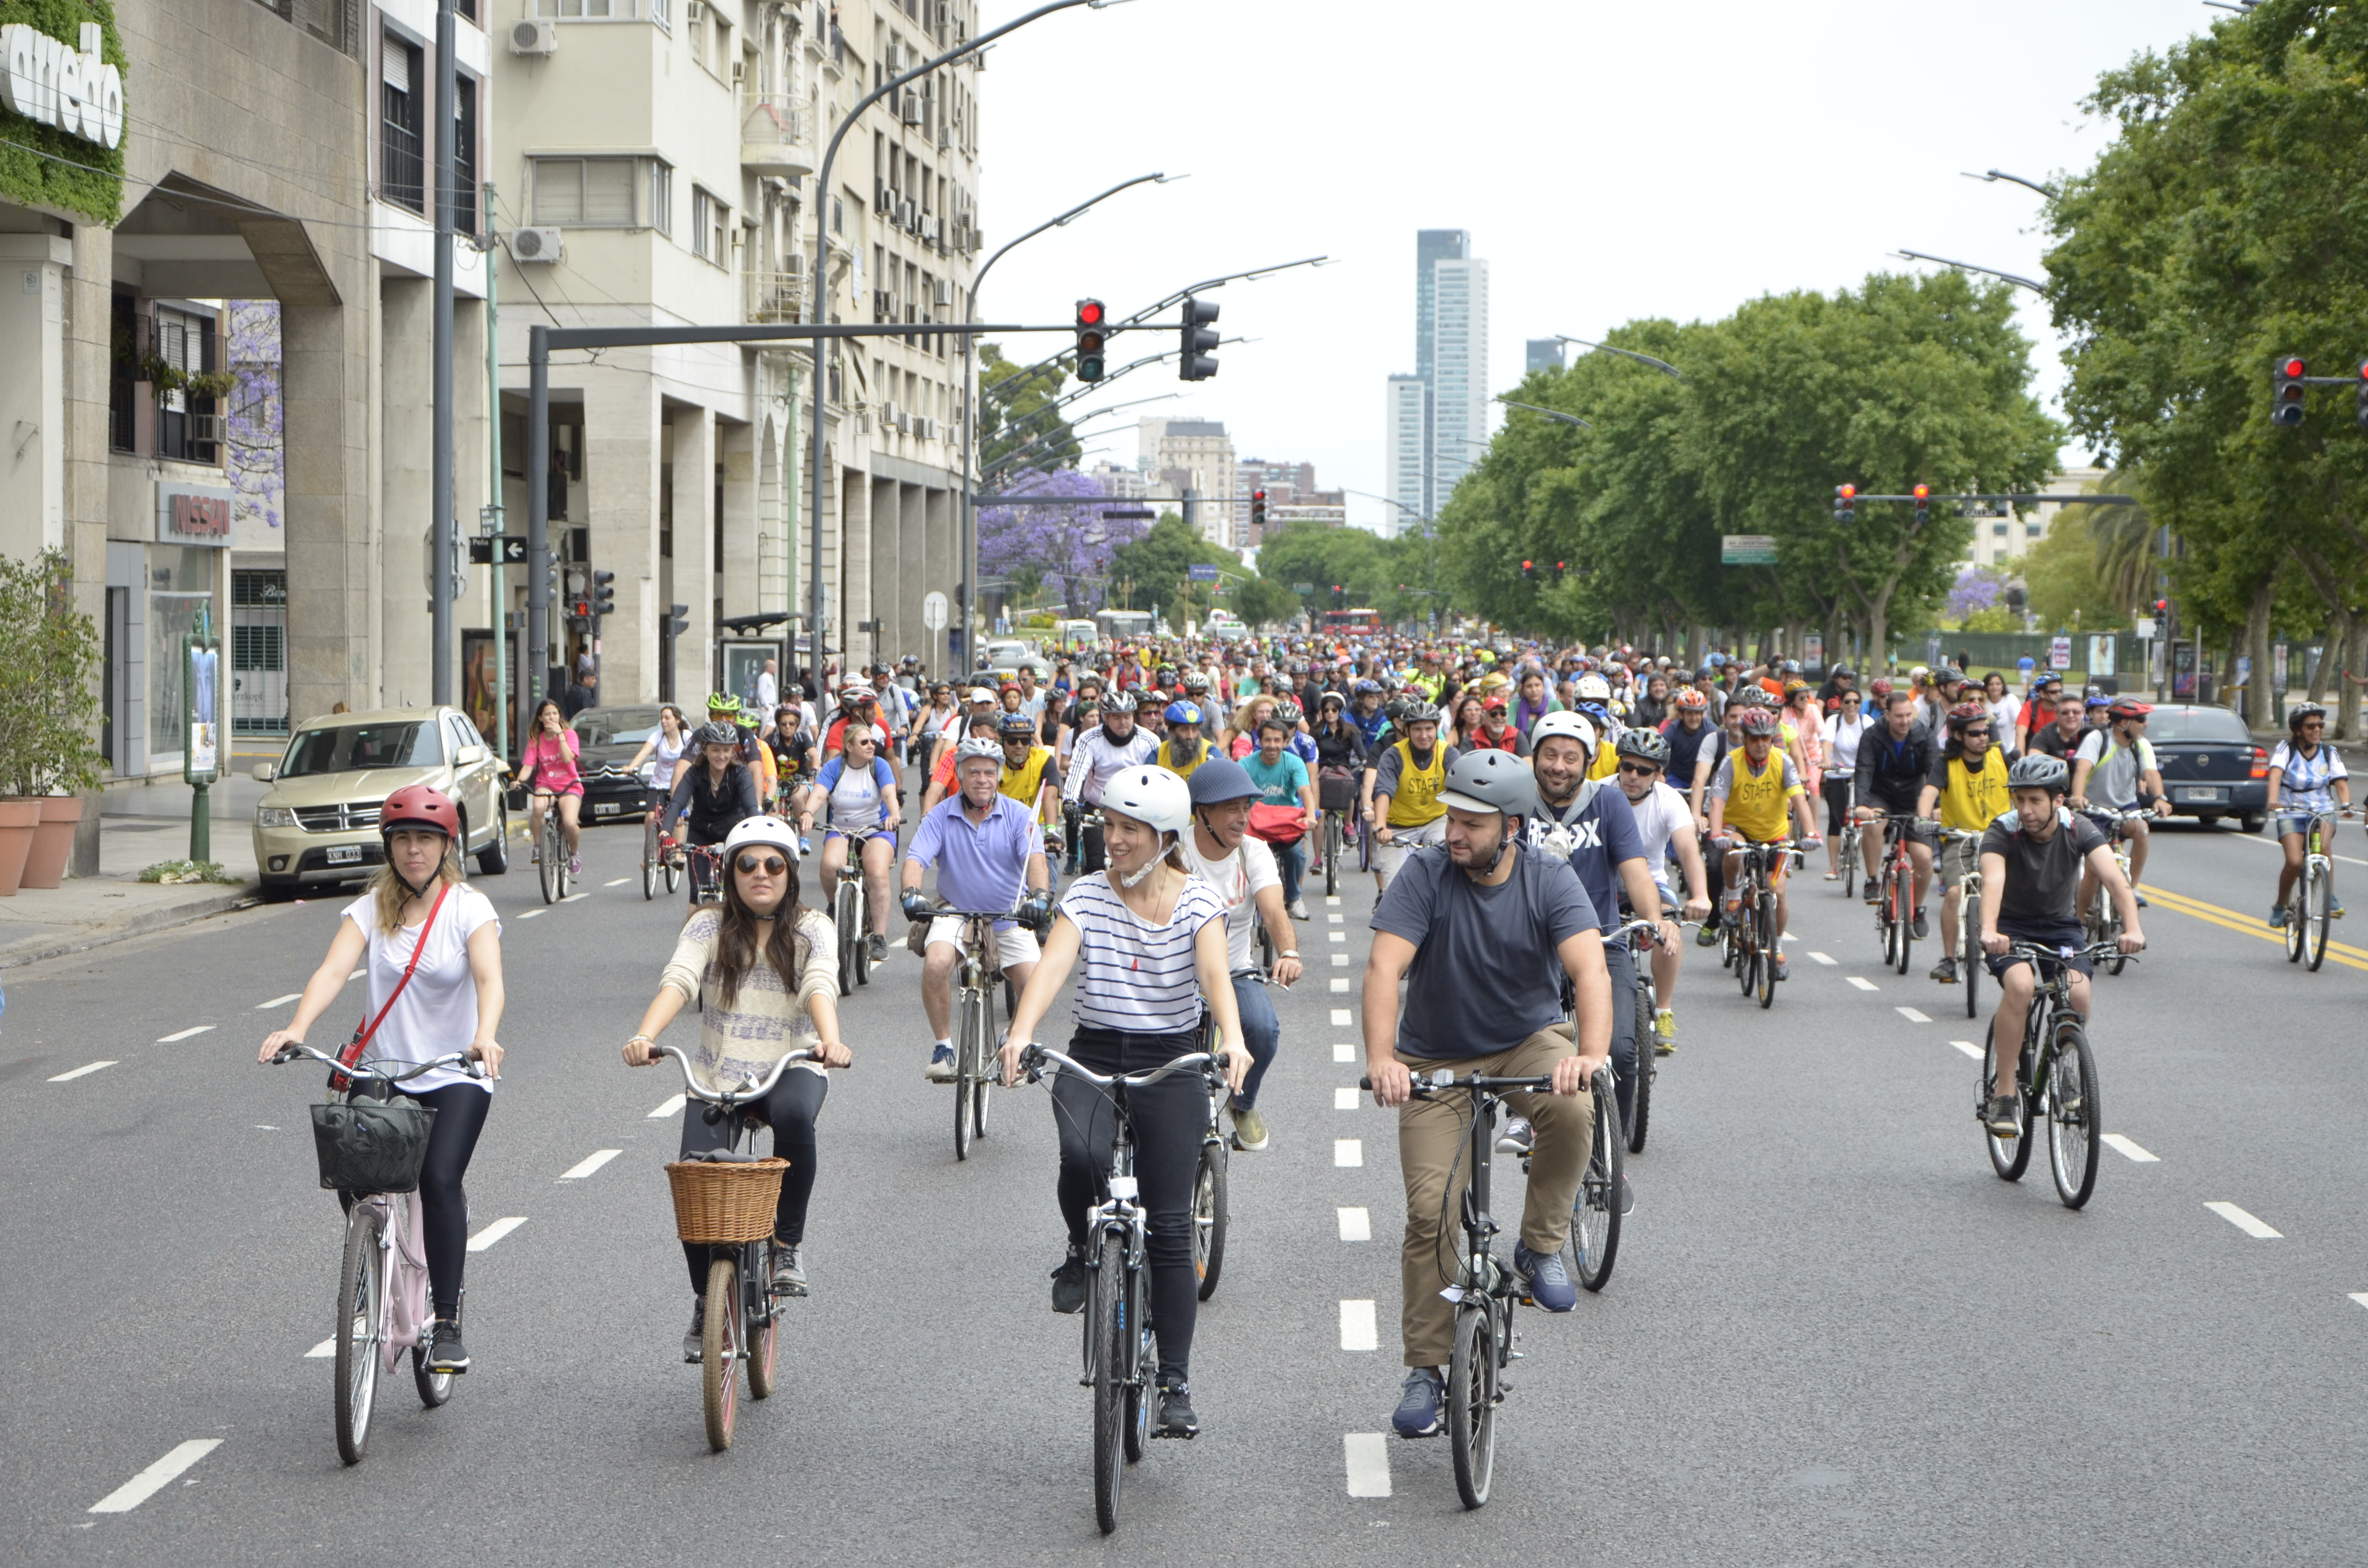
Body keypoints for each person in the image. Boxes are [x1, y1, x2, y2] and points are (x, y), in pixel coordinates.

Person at [1361, 749, 1613, 1439]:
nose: (1454, 833)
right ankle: (1426, 1367)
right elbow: (1386, 967)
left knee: (1572, 1107)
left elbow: (1590, 970)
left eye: (1471, 823)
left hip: (1525, 1039)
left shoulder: (1548, 877)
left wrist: (1588, 1055)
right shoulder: (1425, 873)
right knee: (1429, 1212)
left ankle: (1538, 1247)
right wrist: (1383, 1060)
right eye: (1452, 818)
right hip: (1433, 1055)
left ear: (1512, 826)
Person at [999, 766, 1247, 1440]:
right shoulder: (1086, 894)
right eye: (1108, 825)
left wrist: (1235, 1040)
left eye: (1127, 830)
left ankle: (1174, 1381)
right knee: (1081, 1156)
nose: (1112, 839)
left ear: (1164, 838)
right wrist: (1021, 1033)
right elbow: (1053, 966)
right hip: (1095, 1051)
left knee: (1169, 1228)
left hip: (1171, 1060)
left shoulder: (1199, 903)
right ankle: (1084, 1248)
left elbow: (1215, 977)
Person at [259, 784, 505, 1374]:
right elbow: (332, 970)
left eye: (425, 839)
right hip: (384, 1066)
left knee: (440, 1178)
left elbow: (490, 980)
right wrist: (297, 1025)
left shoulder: (469, 908)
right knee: (353, 1171)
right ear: (389, 848)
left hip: (454, 1071)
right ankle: (373, 1251)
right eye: (402, 840)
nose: (413, 851)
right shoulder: (371, 907)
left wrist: (486, 1033)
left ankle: (445, 1322)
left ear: (446, 846)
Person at [624, 815, 849, 1348]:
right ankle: (706, 1299)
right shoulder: (706, 925)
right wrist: (644, 1034)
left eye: (774, 864)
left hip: (789, 1065)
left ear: (791, 873)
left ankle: (786, 1245)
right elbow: (679, 978)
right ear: (730, 873)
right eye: (747, 864)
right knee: (693, 1180)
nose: (760, 874)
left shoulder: (813, 926)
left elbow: (821, 981)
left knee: (795, 1117)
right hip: (716, 1078)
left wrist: (829, 1039)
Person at [1524, 711, 1675, 1138]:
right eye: (1550, 755)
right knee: (1522, 1043)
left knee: (1620, 1051)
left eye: (1571, 757)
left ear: (1588, 762)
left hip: (1601, 940)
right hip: (1532, 943)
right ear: (1534, 758)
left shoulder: (1608, 803)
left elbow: (1635, 870)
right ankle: (1527, 1118)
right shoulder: (1516, 801)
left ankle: (1611, 1148)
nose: (1559, 765)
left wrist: (1654, 920)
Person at [1976, 755, 2145, 1136]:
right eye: (2019, 800)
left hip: (2060, 926)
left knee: (2078, 995)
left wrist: (2132, 928)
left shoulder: (2079, 829)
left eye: (2035, 800)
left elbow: (2116, 881)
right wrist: (1989, 929)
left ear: (2058, 799)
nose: (2025, 809)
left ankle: (2066, 1071)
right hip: (2009, 927)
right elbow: (1993, 880)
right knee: (2020, 987)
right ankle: (2004, 1094)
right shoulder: (2002, 830)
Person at [900, 739, 1050, 1082]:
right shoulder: (941, 815)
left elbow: (1036, 862)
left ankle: (1013, 1037)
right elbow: (916, 860)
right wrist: (911, 893)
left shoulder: (1019, 815)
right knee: (936, 964)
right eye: (973, 772)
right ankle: (943, 1047)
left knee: (1037, 984)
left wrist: (1040, 897)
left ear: (998, 776)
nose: (982, 779)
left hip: (1009, 914)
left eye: (989, 772)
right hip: (956, 912)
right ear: (959, 775)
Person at [1179, 759, 1304, 1152]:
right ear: (1203, 812)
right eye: (1231, 808)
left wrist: (1288, 951)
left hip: (1234, 974)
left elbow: (1273, 909)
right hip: (1177, 975)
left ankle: (1242, 1102)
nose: (1242, 817)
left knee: (1264, 1031)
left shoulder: (1254, 852)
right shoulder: (1174, 852)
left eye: (1246, 807)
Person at [1607, 726, 1711, 1049]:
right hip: (1603, 886)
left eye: (1644, 770)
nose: (1633, 776)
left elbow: (1687, 849)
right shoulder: (1597, 793)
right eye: (1627, 767)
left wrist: (1701, 895)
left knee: (1669, 931)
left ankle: (1663, 1010)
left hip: (1650, 884)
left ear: (1658, 774)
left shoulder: (1669, 801)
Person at [1705, 707, 1822, 981]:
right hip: (1739, 828)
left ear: (1773, 739)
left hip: (1775, 834)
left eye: (1766, 738)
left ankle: (1777, 950)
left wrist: (1811, 833)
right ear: (1744, 738)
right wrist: (1716, 834)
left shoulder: (1783, 762)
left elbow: (1799, 801)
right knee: (1733, 852)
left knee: (1777, 891)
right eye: (1754, 738)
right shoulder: (1730, 763)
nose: (1760, 744)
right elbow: (1717, 801)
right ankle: (1734, 901)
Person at [1918, 701, 2012, 984]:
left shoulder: (2000, 756)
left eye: (1985, 732)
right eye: (1974, 733)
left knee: (2012, 892)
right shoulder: (1946, 764)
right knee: (1955, 894)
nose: (1983, 737)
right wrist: (1923, 819)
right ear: (1958, 736)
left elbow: (2020, 791)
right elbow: (1928, 793)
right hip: (1959, 839)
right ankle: (1949, 960)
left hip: (1998, 838)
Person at [803, 723, 903, 964]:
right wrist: (808, 812)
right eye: (864, 742)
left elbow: (891, 794)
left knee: (877, 873)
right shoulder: (834, 767)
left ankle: (879, 936)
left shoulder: (879, 766)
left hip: (877, 829)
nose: (872, 746)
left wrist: (893, 814)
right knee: (829, 865)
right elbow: (818, 794)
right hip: (841, 828)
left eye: (872, 742)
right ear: (849, 747)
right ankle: (833, 906)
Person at [1852, 689, 1937, 935]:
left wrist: (1937, 806)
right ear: (1887, 715)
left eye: (1909, 715)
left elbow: (1934, 773)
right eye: (1899, 716)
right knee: (1874, 824)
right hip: (1882, 795)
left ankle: (1918, 909)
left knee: (1923, 858)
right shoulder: (1872, 736)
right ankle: (1872, 879)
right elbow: (1864, 769)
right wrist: (1862, 804)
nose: (1905, 721)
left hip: (1913, 799)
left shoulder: (1924, 735)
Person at [2069, 697, 2167, 907]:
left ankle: (2132, 887)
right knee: (2095, 869)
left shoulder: (2141, 745)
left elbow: (2151, 773)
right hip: (2093, 809)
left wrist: (2160, 798)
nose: (2146, 724)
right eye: (2140, 719)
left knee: (2142, 831)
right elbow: (2082, 769)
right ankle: (2080, 920)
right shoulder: (2097, 739)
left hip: (2125, 808)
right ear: (2123, 723)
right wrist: (2078, 796)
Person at [2266, 702, 2351, 925]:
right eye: (2310, 726)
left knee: (2324, 849)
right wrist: (2273, 800)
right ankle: (2280, 905)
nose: (2317, 730)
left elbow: (2340, 783)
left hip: (2322, 810)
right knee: (2294, 862)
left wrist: (2347, 804)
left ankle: (2330, 897)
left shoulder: (2328, 752)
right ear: (2298, 730)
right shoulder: (2287, 749)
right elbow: (2275, 776)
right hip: (2291, 811)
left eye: (2320, 725)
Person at [1060, 684, 1159, 874]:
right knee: (1096, 866)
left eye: (1128, 716)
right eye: (1117, 717)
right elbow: (1077, 771)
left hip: (1135, 811)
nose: (1124, 722)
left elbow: (1157, 778)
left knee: (1137, 867)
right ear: (1106, 718)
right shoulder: (1088, 739)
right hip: (1098, 810)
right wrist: (1070, 801)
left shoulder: (1150, 740)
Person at [663, 721, 763, 903]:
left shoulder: (740, 774)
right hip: (700, 831)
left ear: (732, 751)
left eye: (726, 750)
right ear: (705, 750)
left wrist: (756, 833)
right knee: (697, 891)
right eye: (716, 750)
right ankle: (692, 931)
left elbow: (751, 809)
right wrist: (665, 831)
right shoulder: (694, 773)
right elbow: (677, 803)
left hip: (732, 831)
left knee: (735, 891)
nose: (721, 756)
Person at [1369, 702, 1459, 895]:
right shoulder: (1394, 755)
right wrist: (1381, 826)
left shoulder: (1448, 754)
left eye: (1429, 729)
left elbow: (1461, 788)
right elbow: (1384, 790)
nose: (1424, 735)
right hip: (1397, 827)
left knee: (1451, 871)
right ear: (1406, 730)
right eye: (1417, 729)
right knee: (1394, 888)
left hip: (1436, 821)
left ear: (1437, 728)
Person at [1244, 714, 1321, 920]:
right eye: (1267, 740)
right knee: (1240, 857)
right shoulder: (1246, 764)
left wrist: (1311, 816)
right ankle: (1244, 898)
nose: (1272, 745)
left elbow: (1305, 791)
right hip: (1256, 826)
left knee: (1297, 854)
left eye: (1278, 740)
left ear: (1285, 742)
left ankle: (1295, 898)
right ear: (1259, 742)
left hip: (1287, 824)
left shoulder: (1294, 763)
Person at [518, 698, 585, 879]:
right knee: (538, 808)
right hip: (546, 785)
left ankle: (574, 855)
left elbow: (567, 759)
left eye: (555, 714)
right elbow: (528, 767)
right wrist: (519, 781)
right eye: (548, 714)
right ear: (541, 718)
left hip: (570, 785)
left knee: (570, 822)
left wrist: (560, 735)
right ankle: (538, 847)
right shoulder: (535, 741)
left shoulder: (569, 735)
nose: (552, 717)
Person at [1819, 684, 1870, 881]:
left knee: (1864, 815)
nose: (1852, 705)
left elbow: (1875, 745)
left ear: (1860, 704)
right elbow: (1828, 743)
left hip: (1860, 774)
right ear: (1841, 704)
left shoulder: (1867, 722)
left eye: (1856, 701)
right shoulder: (1834, 721)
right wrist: (1826, 760)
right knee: (1836, 818)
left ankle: (1859, 845)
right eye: (1847, 701)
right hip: (1837, 773)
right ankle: (1833, 866)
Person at [628, 703, 692, 821]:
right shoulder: (658, 736)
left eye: (667, 718)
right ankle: (651, 838)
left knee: (678, 820)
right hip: (658, 786)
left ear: (677, 720)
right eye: (662, 718)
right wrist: (631, 767)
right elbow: (644, 752)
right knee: (651, 817)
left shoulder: (686, 736)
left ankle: (677, 840)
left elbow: (697, 755)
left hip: (680, 786)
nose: (663, 721)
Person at [1158, 700, 1214, 777]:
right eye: (1184, 729)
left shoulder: (1210, 752)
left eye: (1195, 729)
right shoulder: (1158, 754)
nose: (1191, 736)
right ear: (1172, 732)